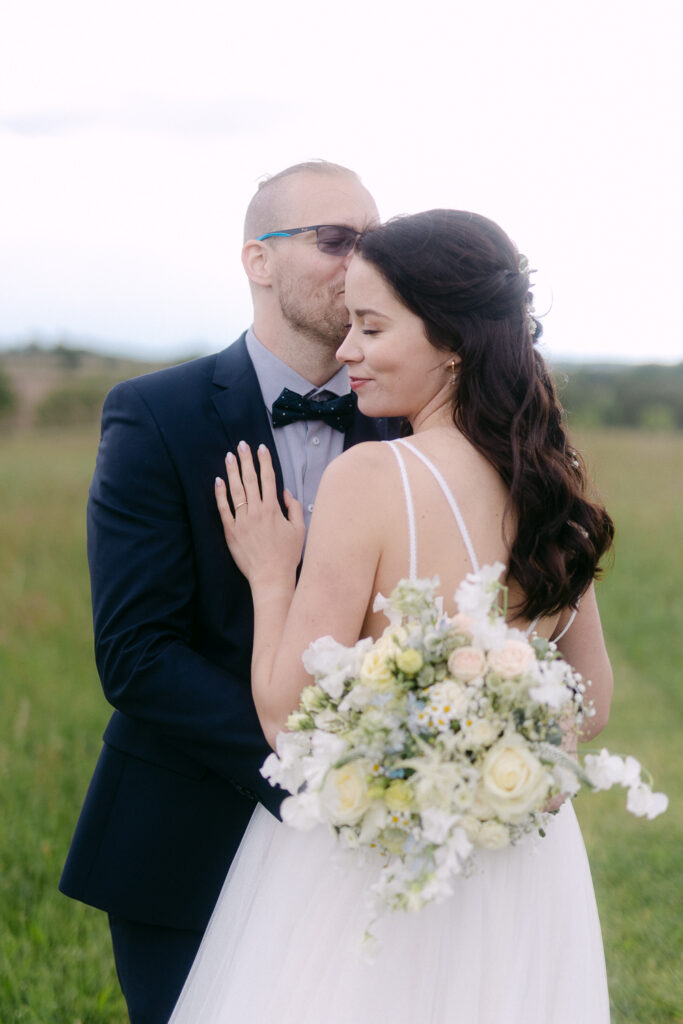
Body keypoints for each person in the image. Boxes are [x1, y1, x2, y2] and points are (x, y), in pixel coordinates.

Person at [169, 209, 615, 1023]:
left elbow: (291, 716)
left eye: (370, 328)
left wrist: (272, 576)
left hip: (368, 867)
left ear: (451, 340)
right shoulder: (553, 477)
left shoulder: (372, 476)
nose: (346, 353)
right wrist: (491, 766)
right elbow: (592, 695)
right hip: (520, 863)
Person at [58, 160, 400, 1024]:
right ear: (258, 260)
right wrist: (314, 770)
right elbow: (137, 654)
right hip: (185, 834)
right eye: (335, 240)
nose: (360, 264)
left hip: (369, 844)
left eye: (373, 243)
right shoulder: (155, 414)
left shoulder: (409, 423)